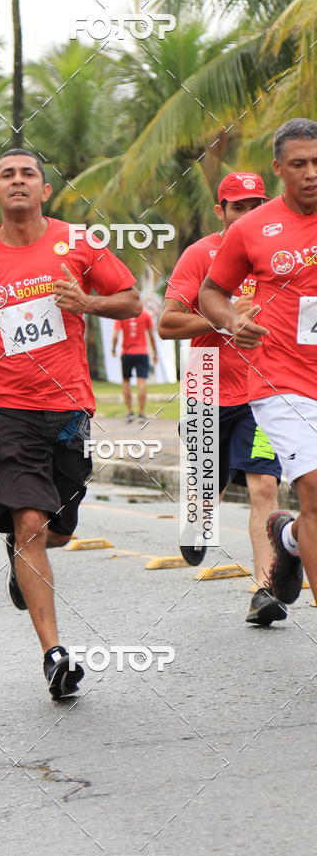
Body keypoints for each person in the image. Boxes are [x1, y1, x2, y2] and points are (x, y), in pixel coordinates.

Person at [0, 148, 140, 699]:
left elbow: (131, 301)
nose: (19, 181)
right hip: (5, 407)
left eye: (29, 174)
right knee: (28, 522)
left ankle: (23, 559)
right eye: (7, 175)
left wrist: (88, 302)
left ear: (46, 190)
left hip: (68, 406)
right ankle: (54, 654)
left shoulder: (80, 244)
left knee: (55, 529)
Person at [199, 117, 317, 619]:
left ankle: (288, 538)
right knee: (311, 488)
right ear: (279, 168)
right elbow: (210, 292)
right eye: (299, 164)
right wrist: (230, 321)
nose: (311, 173)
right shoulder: (251, 230)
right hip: (281, 380)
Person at [159, 172, 283, 625]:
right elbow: (168, 325)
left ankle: (264, 590)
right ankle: (198, 514)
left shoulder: (280, 252)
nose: (249, 215)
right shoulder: (200, 256)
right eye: (239, 207)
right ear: (220, 212)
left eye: (257, 205)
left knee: (264, 487)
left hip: (264, 389)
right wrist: (224, 319)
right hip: (205, 384)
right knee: (207, 486)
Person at [112, 308, 158, 422]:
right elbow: (152, 336)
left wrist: (113, 348)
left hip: (127, 353)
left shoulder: (122, 314)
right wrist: (155, 352)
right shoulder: (146, 315)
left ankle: (129, 412)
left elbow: (115, 336)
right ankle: (141, 413)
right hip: (142, 352)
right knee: (141, 381)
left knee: (126, 381)